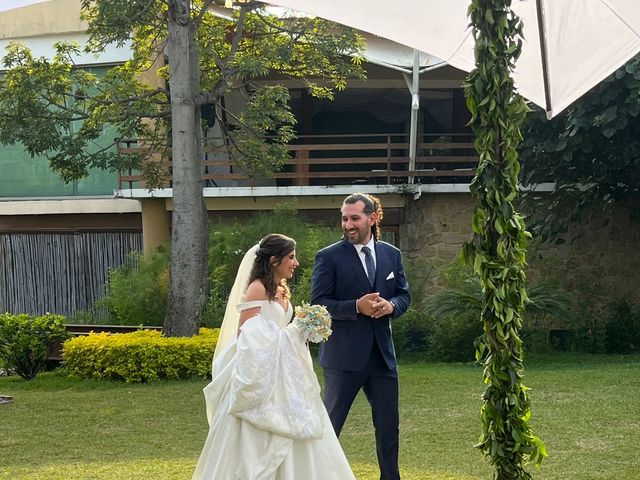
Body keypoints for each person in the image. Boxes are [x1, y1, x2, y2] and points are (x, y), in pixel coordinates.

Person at [192, 233, 355, 480]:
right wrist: (294, 331)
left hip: (286, 372)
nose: (296, 262)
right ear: (273, 260)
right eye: (291, 257)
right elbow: (246, 334)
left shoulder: (281, 289)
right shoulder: (256, 289)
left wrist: (303, 329)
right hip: (260, 373)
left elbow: (277, 328)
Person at [311, 193, 410, 480]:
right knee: (330, 426)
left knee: (389, 426)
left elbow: (403, 295)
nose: (348, 225)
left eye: (354, 218)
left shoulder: (392, 254)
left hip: (382, 357)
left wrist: (391, 306)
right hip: (343, 358)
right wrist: (356, 306)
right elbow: (318, 305)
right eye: (344, 219)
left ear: (373, 218)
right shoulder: (328, 257)